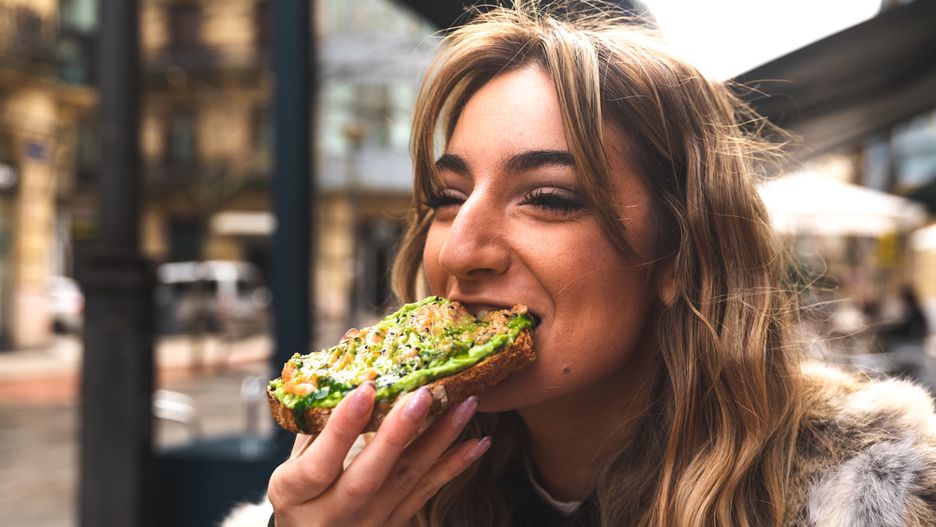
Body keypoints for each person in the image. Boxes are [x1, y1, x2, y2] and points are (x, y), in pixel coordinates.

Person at [224, 3, 936, 526]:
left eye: (547, 198)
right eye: (448, 198)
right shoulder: (370, 498)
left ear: (679, 254)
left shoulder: (871, 497)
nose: (461, 251)